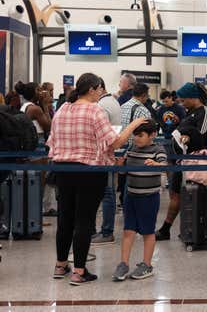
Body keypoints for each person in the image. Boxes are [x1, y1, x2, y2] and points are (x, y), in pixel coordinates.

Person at [47, 73, 146, 285]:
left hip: (63, 171)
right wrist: (133, 125)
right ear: (92, 89)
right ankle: (79, 271)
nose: (101, 93)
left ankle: (60, 265)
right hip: (89, 172)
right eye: (100, 89)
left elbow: (52, 142)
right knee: (84, 220)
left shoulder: (63, 108)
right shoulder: (95, 110)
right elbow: (115, 143)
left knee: (65, 219)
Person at [155, 82, 207, 241]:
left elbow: (202, 136)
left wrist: (188, 136)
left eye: (183, 100)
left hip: (196, 162)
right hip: (181, 160)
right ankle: (168, 228)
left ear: (193, 97)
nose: (181, 103)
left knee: (187, 195)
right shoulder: (190, 112)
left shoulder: (205, 112)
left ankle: (194, 229)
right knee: (176, 194)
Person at [93, 83, 151, 245]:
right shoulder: (143, 111)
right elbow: (149, 133)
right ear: (145, 95)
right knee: (130, 188)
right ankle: (132, 221)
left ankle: (122, 222)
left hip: (116, 151)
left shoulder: (122, 106)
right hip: (133, 152)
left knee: (118, 187)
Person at [112, 120, 167, 282]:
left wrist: (156, 164)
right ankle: (123, 263)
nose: (137, 139)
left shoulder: (158, 149)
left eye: (141, 135)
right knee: (128, 231)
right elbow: (123, 173)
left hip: (149, 197)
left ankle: (147, 264)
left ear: (152, 135)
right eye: (135, 135)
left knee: (148, 232)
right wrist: (120, 166)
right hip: (131, 196)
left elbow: (164, 165)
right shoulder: (131, 149)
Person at [93, 78, 122, 242]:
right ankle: (106, 231)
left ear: (99, 88)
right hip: (110, 154)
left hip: (103, 155)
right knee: (109, 192)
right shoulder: (113, 101)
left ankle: (106, 232)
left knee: (107, 193)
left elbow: (99, 133)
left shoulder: (102, 106)